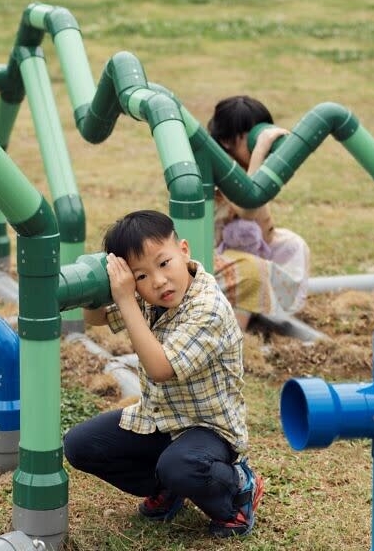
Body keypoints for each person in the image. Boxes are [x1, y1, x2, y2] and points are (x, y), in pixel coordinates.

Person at [63, 210, 264, 538]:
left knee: (181, 466)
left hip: (209, 429)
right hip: (161, 420)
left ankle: (238, 489)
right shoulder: (145, 297)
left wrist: (127, 298)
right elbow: (96, 318)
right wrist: (101, 280)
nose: (157, 281)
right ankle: (168, 488)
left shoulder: (207, 307)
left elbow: (160, 369)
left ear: (183, 251)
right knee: (80, 445)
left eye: (163, 263)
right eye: (140, 276)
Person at [207, 95, 311, 330]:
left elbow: (265, 231)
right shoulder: (214, 169)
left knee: (293, 246)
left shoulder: (250, 168)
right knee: (253, 268)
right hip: (210, 257)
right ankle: (235, 338)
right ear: (226, 141)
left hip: (242, 249)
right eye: (251, 137)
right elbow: (246, 205)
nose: (257, 141)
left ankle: (261, 310)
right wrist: (260, 152)